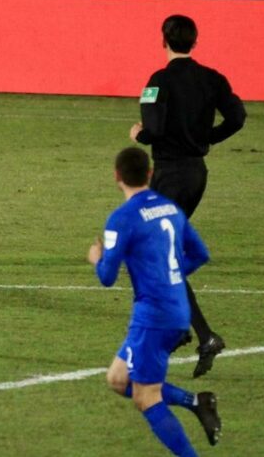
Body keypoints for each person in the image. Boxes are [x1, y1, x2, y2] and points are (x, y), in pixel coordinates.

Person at [131, 14, 246, 378]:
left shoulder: (158, 81)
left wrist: (140, 136)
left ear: (162, 39)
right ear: (194, 41)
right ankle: (188, 329)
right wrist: (208, 137)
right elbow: (238, 117)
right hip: (197, 173)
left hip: (170, 174)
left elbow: (154, 127)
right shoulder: (212, 78)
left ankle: (200, 333)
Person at [88, 146, 222, 456]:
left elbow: (107, 277)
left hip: (154, 316)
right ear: (150, 173)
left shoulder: (122, 218)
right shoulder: (170, 209)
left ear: (116, 177)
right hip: (176, 309)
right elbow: (200, 254)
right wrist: (171, 276)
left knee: (146, 397)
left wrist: (97, 258)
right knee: (118, 379)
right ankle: (196, 402)